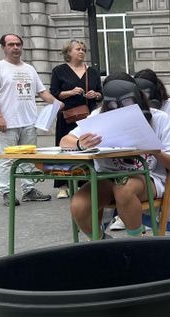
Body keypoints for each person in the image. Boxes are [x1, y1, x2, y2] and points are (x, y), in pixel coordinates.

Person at [62, 73, 170, 239]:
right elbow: (65, 141)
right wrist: (80, 144)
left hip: (147, 177)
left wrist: (155, 149)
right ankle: (101, 243)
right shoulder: (98, 116)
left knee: (123, 189)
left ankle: (135, 243)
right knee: (79, 204)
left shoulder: (159, 118)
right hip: (107, 176)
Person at [0, 33, 61, 207]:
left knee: (28, 158)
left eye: (18, 44)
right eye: (11, 44)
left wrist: (57, 103)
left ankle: (29, 189)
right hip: (7, 123)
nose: (15, 47)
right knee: (6, 159)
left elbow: (42, 92)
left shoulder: (29, 69)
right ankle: (7, 192)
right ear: (3, 47)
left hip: (29, 122)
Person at [50, 39, 102, 199]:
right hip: (68, 115)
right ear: (68, 52)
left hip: (89, 114)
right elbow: (54, 93)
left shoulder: (92, 71)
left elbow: (101, 93)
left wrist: (96, 94)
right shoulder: (59, 70)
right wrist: (70, 92)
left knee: (87, 145)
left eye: (83, 50)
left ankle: (84, 181)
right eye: (78, 49)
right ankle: (62, 184)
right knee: (65, 148)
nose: (81, 52)